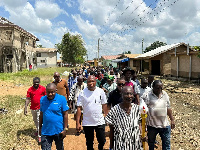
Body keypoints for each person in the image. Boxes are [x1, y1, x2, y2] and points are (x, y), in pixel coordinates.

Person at [141, 80, 175, 150]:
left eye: (161, 88)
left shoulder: (165, 94)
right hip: (152, 126)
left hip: (164, 125)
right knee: (151, 143)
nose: (159, 90)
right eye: (157, 88)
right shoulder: (147, 95)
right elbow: (143, 110)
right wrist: (143, 126)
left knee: (167, 144)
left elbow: (168, 108)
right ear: (152, 87)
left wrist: (172, 119)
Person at [76, 75, 108, 150]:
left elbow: (104, 105)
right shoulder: (82, 93)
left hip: (99, 121)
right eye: (89, 81)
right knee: (89, 142)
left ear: (95, 82)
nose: (91, 83)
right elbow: (79, 108)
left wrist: (107, 116)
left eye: (93, 81)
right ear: (86, 82)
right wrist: (78, 123)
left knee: (102, 140)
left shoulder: (101, 91)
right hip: (87, 122)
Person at [39, 83, 69, 150]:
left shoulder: (61, 99)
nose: (50, 94)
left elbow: (65, 114)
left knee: (60, 148)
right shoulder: (42, 99)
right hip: (46, 131)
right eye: (48, 92)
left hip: (58, 131)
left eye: (52, 92)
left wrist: (65, 129)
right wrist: (40, 128)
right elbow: (41, 115)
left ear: (56, 90)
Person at [24, 77, 46, 142]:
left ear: (39, 82)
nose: (36, 84)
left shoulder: (43, 88)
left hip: (40, 107)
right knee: (35, 120)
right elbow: (28, 98)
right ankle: (38, 129)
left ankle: (40, 136)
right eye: (35, 83)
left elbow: (46, 97)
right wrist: (25, 107)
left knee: (39, 121)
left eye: (37, 83)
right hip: (33, 108)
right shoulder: (30, 89)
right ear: (33, 83)